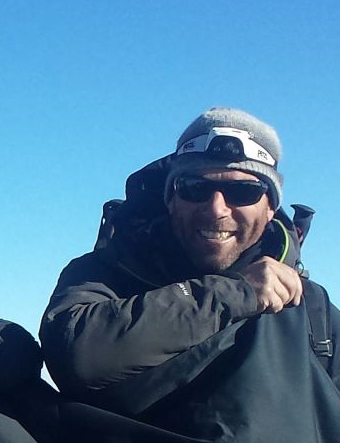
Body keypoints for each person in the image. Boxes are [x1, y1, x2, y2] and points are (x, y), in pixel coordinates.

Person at [41, 107, 340, 398]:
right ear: (170, 198)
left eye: (243, 192)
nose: (216, 209)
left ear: (271, 207)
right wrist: (237, 292)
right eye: (195, 187)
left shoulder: (313, 309)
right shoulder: (108, 272)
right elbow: (76, 356)